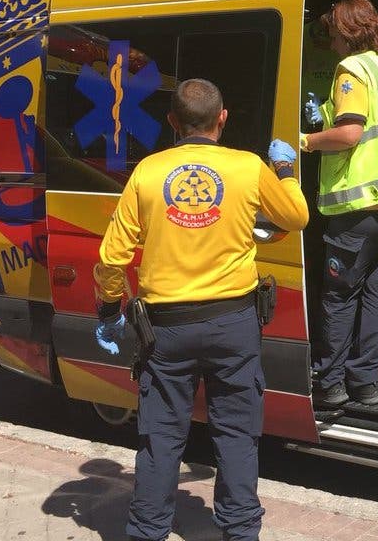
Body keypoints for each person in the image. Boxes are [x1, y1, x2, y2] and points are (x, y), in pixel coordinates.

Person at [92, 78, 308, 541]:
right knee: (236, 434)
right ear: (223, 118)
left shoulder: (149, 172)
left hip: (166, 332)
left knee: (161, 439)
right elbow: (296, 216)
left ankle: (147, 531)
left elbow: (112, 257)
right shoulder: (248, 168)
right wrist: (285, 169)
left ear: (171, 122)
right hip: (234, 324)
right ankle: (240, 531)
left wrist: (111, 308)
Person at [300, 0, 378, 409]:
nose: (331, 42)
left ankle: (331, 385)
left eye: (333, 33)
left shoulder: (351, 69)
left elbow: (350, 134)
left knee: (340, 294)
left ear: (346, 32)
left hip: (361, 204)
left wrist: (306, 140)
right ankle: (366, 384)